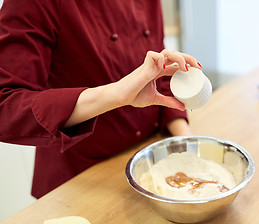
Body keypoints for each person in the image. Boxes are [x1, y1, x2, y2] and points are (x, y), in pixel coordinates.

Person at [0, 0, 201, 198]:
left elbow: (159, 68)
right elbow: (6, 104)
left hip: (149, 158)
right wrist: (115, 94)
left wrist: (184, 141)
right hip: (81, 179)